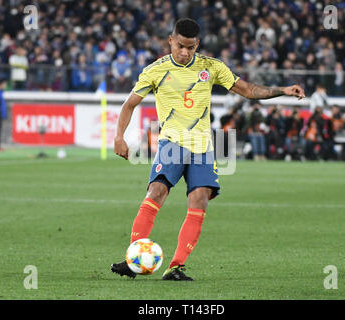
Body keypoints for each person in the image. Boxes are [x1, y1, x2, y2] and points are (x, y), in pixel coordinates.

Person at [110, 18, 305, 281]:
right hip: (172, 143)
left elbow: (247, 90)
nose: (184, 52)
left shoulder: (211, 67)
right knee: (157, 192)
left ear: (197, 44)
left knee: (200, 199)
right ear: (170, 40)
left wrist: (282, 90)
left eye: (190, 48)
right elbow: (130, 104)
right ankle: (133, 260)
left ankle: (175, 267)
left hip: (203, 148)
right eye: (180, 46)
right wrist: (119, 136)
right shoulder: (155, 71)